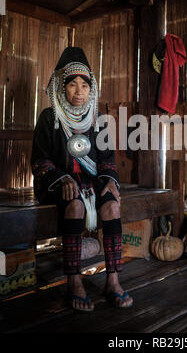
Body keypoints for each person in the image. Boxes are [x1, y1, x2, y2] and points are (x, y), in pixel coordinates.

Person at [31, 47, 133, 311]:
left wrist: (110, 179)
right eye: (72, 84)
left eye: (84, 85)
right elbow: (40, 161)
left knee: (112, 205)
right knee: (74, 205)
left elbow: (107, 160)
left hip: (92, 180)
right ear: (62, 88)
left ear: (91, 89)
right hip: (58, 181)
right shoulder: (49, 118)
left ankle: (113, 280)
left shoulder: (97, 120)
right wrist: (62, 178)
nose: (79, 91)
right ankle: (74, 282)